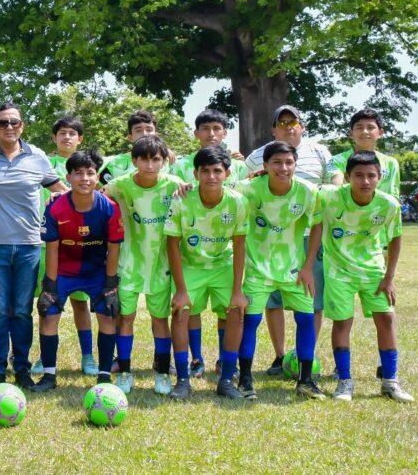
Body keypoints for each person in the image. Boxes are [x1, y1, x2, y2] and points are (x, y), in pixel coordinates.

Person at [0, 103, 67, 389]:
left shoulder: (37, 156)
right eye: (3, 123)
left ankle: (21, 367)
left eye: (14, 122)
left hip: (29, 246)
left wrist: (56, 201)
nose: (9, 127)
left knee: (22, 310)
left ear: (22, 126)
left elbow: (60, 191)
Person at [317, 151, 413, 402]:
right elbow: (297, 186)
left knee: (387, 320)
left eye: (371, 175)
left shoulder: (388, 204)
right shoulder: (329, 196)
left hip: (373, 272)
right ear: (348, 177)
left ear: (380, 177)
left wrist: (389, 277)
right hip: (338, 272)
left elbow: (396, 239)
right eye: (359, 175)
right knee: (342, 324)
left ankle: (390, 381)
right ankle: (344, 381)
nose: (365, 181)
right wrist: (264, 174)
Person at [243, 105, 331, 376]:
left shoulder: (319, 152)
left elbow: (333, 185)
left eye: (293, 122)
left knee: (311, 301)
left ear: (302, 126)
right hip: (267, 243)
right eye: (282, 123)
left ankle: (306, 360)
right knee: (272, 302)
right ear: (274, 129)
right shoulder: (257, 156)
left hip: (304, 240)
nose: (289, 126)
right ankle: (280, 356)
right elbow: (239, 186)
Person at [236, 141, 325, 400]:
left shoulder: (308, 191)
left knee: (306, 320)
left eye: (288, 162)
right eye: (276, 162)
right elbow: (219, 190)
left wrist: (308, 267)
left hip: (295, 270)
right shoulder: (248, 188)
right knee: (250, 322)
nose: (283, 168)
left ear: (296, 165)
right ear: (265, 165)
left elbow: (317, 225)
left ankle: (306, 381)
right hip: (258, 270)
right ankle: (245, 380)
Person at [170, 109, 250, 380]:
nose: (212, 176)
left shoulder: (238, 194)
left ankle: (227, 369)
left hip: (222, 262)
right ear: (196, 173)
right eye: (205, 171)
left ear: (227, 173)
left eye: (218, 171)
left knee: (234, 309)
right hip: (192, 261)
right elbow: (172, 242)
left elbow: (240, 244)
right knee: (184, 309)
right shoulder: (183, 190)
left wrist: (238, 290)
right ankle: (190, 367)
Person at [35, 150, 122, 392]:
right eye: (78, 173)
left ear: (97, 177)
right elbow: (52, 249)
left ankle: (104, 376)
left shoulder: (110, 207)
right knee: (48, 313)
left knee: (108, 314)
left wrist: (110, 285)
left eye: (90, 173)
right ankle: (49, 376)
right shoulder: (56, 207)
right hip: (63, 271)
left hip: (96, 272)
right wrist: (50, 286)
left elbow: (114, 249)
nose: (85, 178)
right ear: (68, 177)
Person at [104, 135, 184, 395]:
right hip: (129, 264)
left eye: (156, 159)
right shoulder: (121, 185)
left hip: (160, 265)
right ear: (134, 160)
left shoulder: (174, 185)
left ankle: (162, 373)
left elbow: (196, 194)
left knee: (160, 319)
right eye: (144, 159)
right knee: (126, 317)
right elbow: (95, 193)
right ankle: (125, 372)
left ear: (164, 161)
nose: (150, 165)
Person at [29, 117, 98, 377]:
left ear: (80, 138)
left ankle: (88, 356)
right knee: (48, 301)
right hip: (50, 245)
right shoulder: (44, 164)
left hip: (81, 246)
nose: (67, 137)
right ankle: (44, 357)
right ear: (54, 137)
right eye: (62, 133)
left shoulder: (89, 165)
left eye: (72, 133)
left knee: (81, 304)